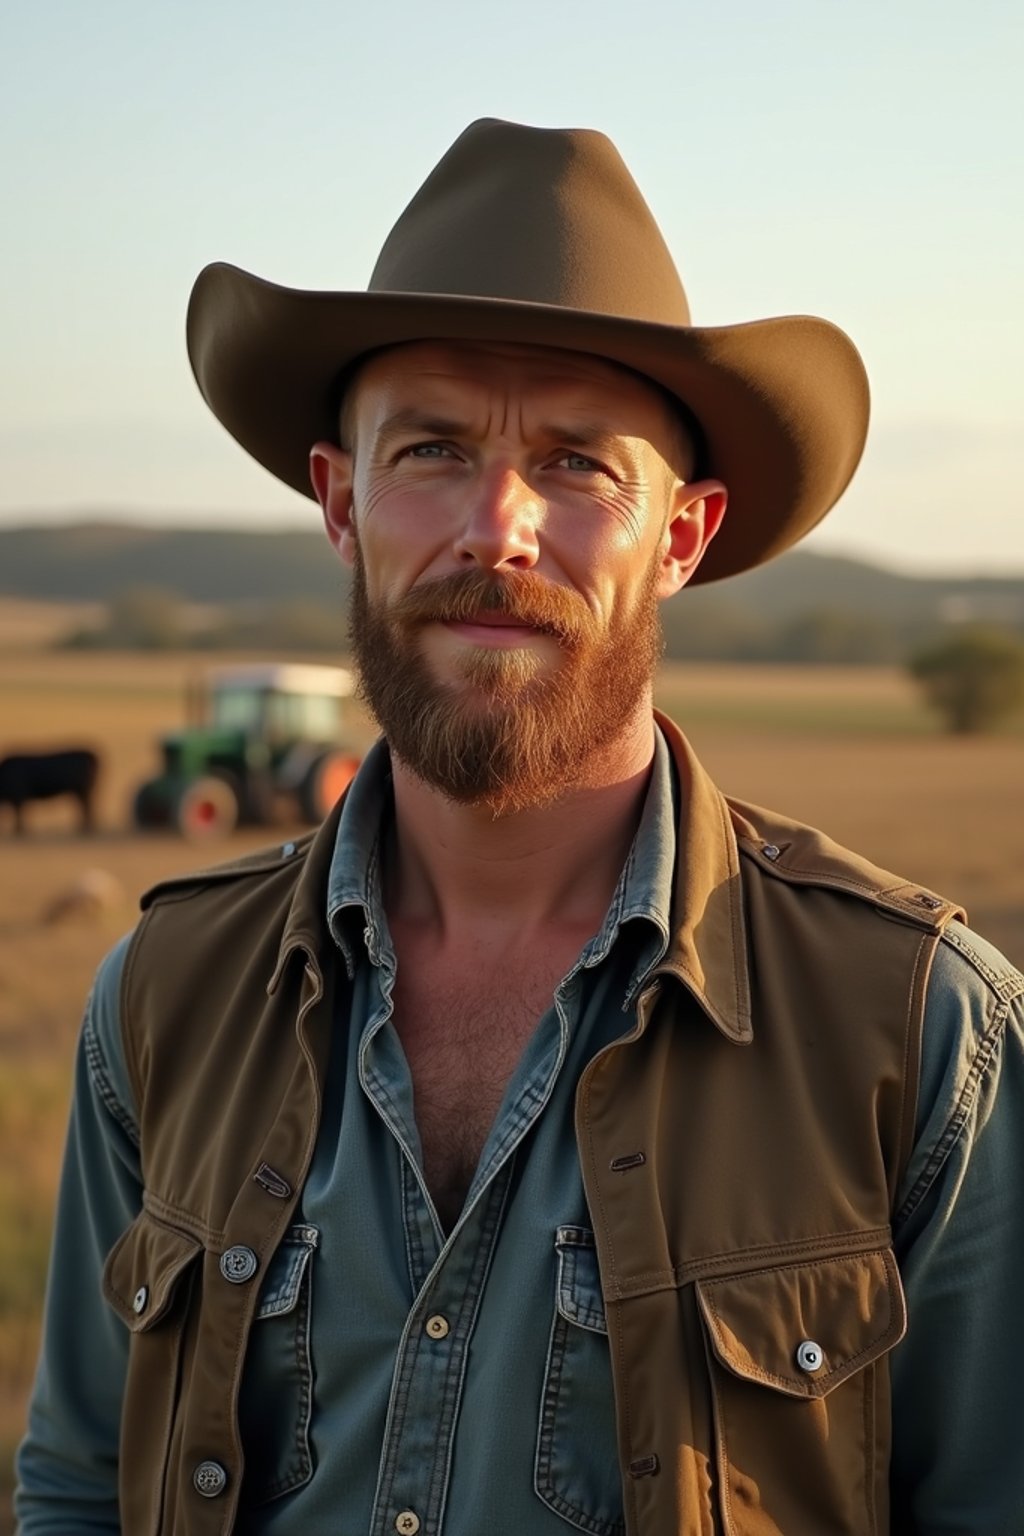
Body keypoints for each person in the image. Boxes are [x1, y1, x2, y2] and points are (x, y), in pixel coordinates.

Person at [15, 119, 1024, 1536]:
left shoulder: (921, 1035)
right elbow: (73, 1479)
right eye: (430, 447)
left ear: (682, 536)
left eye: (576, 467)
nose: (497, 527)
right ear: (340, 501)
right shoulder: (165, 997)